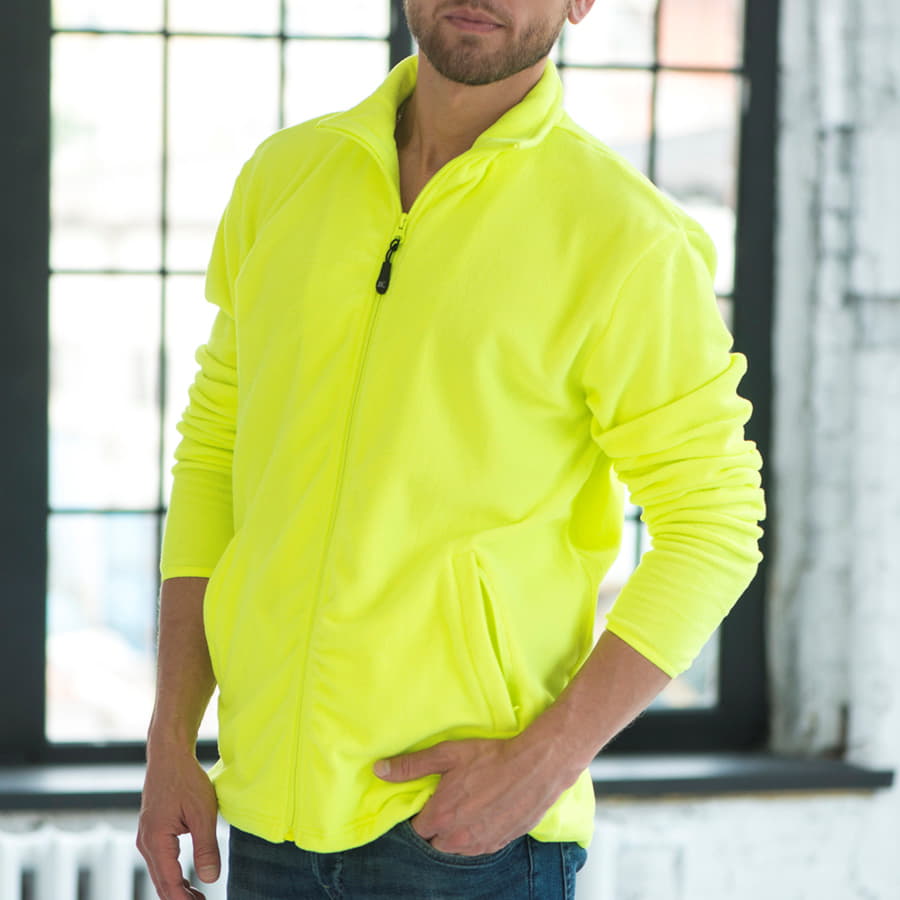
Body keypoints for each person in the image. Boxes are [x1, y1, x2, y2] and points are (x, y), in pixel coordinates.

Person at [137, 1, 766, 897]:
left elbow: (715, 523)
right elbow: (213, 458)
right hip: (267, 826)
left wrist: (549, 758)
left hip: (466, 840)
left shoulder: (625, 237)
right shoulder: (284, 180)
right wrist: (171, 736)